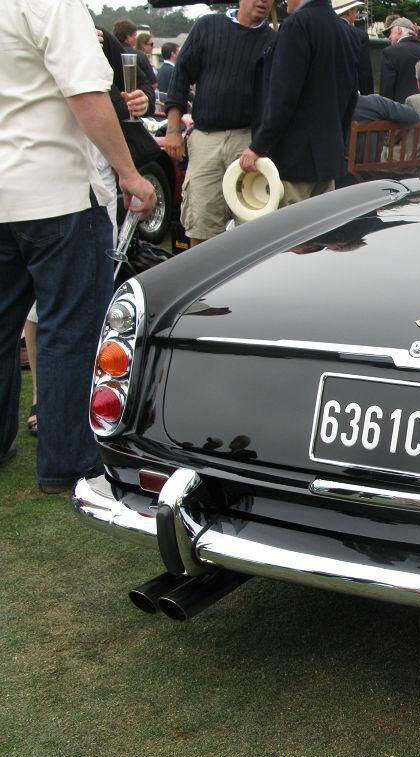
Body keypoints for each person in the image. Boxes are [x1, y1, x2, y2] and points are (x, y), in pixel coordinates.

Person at [1, 0, 155, 491]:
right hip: (57, 191)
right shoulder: (54, 5)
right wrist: (129, 172)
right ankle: (67, 460)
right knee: (70, 329)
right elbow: (85, 93)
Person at [164, 0, 275, 246]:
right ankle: (202, 284)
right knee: (201, 226)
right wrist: (173, 129)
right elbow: (180, 76)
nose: (264, 1)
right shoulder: (208, 26)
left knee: (253, 231)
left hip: (249, 143)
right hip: (205, 139)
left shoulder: (273, 41)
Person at [241, 0, 360, 208]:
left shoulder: (297, 24)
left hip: (294, 158)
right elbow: (351, 96)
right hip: (329, 156)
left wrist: (258, 145)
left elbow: (283, 96)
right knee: (322, 231)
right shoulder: (345, 32)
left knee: (292, 235)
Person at [380, 17, 420, 103]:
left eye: (390, 33)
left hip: (399, 108)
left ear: (399, 30)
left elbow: (386, 88)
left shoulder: (389, 52)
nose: (389, 37)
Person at [333, 0, 374, 96]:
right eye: (356, 10)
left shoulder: (322, 31)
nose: (357, 13)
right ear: (349, 11)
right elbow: (364, 71)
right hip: (350, 93)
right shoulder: (359, 35)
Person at [113, 19, 158, 91]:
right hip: (135, 98)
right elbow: (153, 84)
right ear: (128, 37)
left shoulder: (107, 55)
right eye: (134, 35)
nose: (135, 39)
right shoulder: (140, 56)